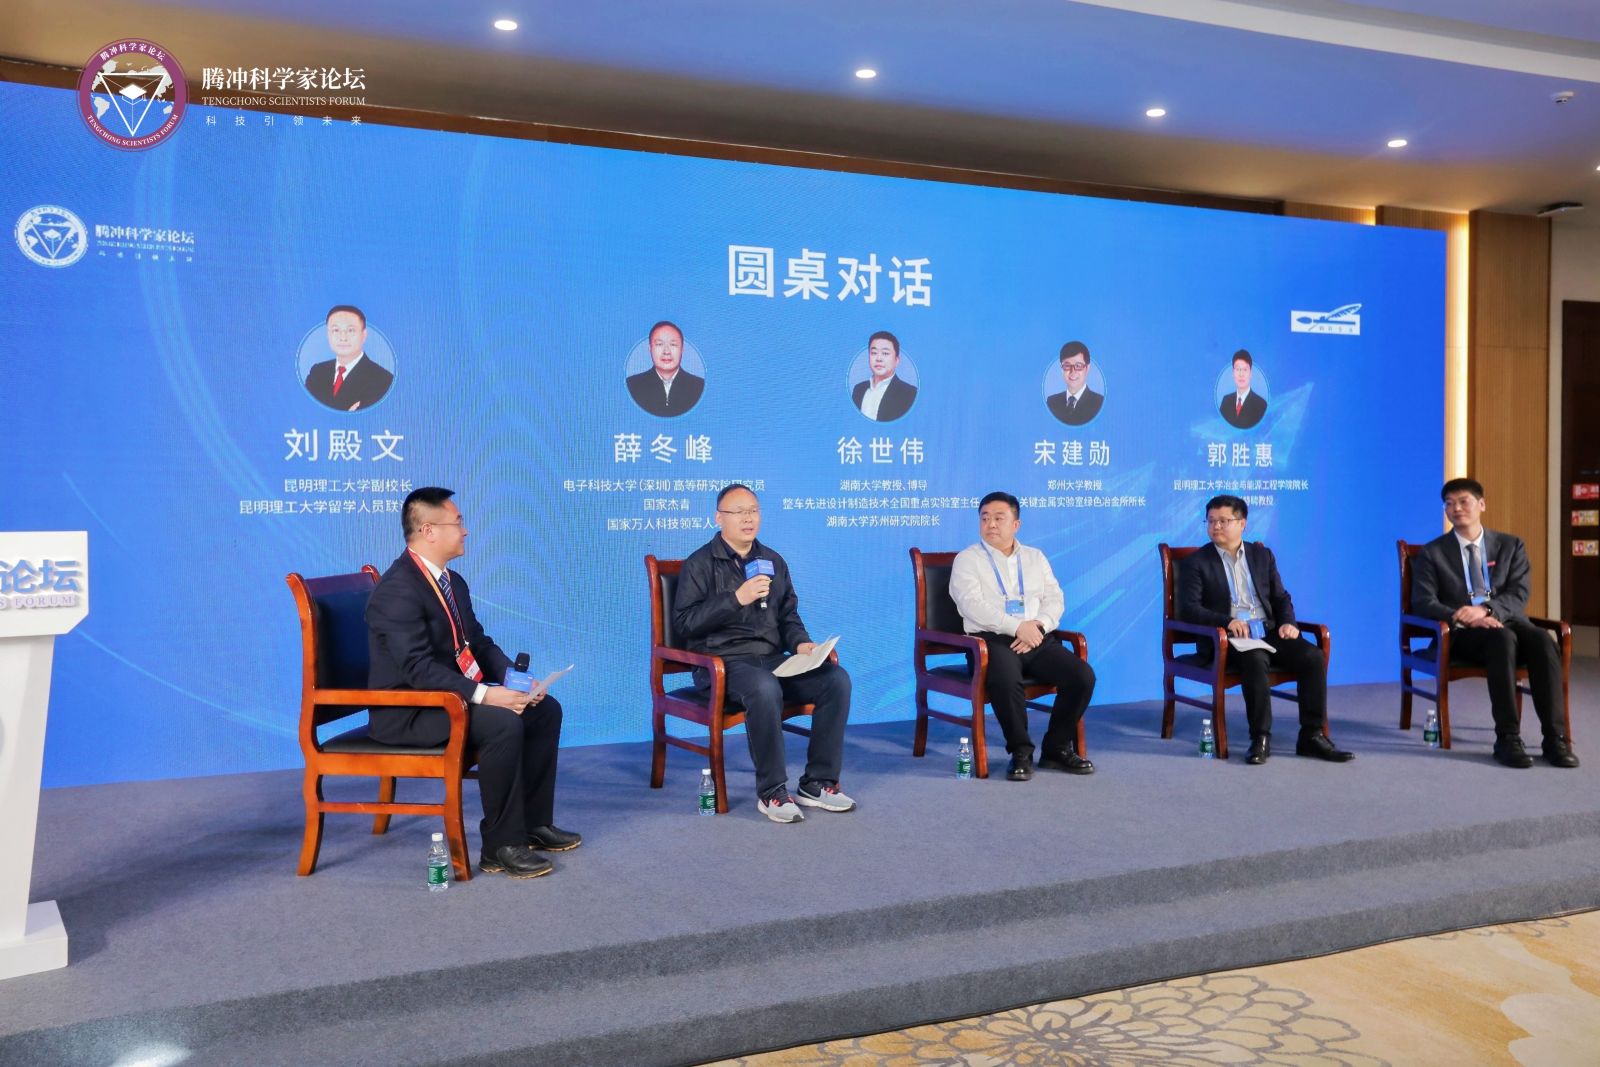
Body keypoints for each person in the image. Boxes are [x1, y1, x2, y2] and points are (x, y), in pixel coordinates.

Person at [366, 487, 580, 878]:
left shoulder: (452, 582)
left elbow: (477, 643)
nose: (465, 531)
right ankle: (500, 847)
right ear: (428, 530)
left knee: (543, 709)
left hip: (448, 699)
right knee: (502, 722)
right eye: (458, 522)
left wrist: (517, 682)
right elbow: (417, 669)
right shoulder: (397, 590)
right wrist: (486, 696)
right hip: (410, 710)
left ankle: (533, 823)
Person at [672, 484, 854, 822]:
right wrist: (735, 599)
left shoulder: (772, 561)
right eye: (739, 512)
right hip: (722, 663)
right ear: (718, 518)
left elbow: (788, 616)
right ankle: (772, 792)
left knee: (835, 680)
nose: (748, 518)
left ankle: (818, 782)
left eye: (753, 511)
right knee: (763, 686)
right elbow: (684, 624)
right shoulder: (699, 564)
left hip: (771, 660)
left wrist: (801, 644)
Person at [1410, 478, 1580, 769]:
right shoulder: (1432, 552)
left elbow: (1519, 593)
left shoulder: (1510, 546)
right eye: (1449, 504)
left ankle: (1555, 739)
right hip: (1462, 634)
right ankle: (1507, 738)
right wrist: (1463, 615)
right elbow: (1423, 602)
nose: (1456, 508)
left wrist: (1487, 610)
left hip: (1507, 621)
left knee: (1542, 639)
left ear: (1482, 505)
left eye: (1463, 501)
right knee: (1502, 640)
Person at [1178, 494, 1352, 764]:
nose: (1216, 526)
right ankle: (1260, 737)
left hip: (1268, 631)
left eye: (1223, 521)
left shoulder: (1262, 555)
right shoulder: (1197, 562)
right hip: (1228, 638)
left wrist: (1288, 623)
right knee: (1255, 658)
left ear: (1242, 523)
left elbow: (1281, 598)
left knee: (1313, 657)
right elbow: (1190, 609)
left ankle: (1312, 736)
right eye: (1210, 521)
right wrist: (1227, 621)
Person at [949, 492, 1095, 781]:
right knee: (1005, 679)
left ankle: (1055, 749)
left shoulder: (1034, 557)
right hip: (989, 641)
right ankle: (1020, 752)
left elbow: (1055, 598)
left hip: (1036, 637)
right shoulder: (967, 559)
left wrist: (1039, 625)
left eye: (999, 518)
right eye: (985, 518)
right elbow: (971, 605)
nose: (991, 524)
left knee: (1082, 676)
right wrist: (1016, 628)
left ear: (1016, 524)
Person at [304, 305, 394, 412]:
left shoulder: (383, 379)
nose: (343, 337)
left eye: (350, 330)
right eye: (336, 330)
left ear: (364, 335)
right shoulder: (317, 372)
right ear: (328, 334)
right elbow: (304, 411)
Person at [626, 320, 705, 417]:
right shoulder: (632, 385)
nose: (666, 351)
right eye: (659, 344)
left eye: (673, 344)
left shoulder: (699, 386)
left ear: (682, 349)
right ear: (650, 348)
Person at [851, 330, 918, 421]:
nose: (878, 358)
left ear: (896, 360)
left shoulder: (910, 393)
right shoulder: (858, 389)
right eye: (874, 353)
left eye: (885, 353)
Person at [1045, 341, 1104, 426]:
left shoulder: (1099, 403)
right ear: (1061, 369)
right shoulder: (1052, 402)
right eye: (1067, 366)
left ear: (1087, 368)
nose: (1072, 372)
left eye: (1078, 366)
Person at [1219, 349, 1267, 429]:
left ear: (1250, 373)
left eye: (1245, 369)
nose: (1241, 374)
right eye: (1238, 369)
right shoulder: (1226, 401)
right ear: (1233, 373)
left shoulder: (1261, 404)